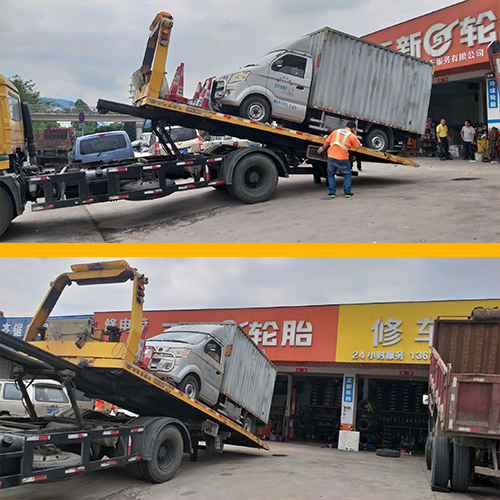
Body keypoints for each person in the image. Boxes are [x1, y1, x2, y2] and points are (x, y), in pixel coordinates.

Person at [318, 121, 361, 198]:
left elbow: (327, 142)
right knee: (347, 174)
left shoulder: (335, 132)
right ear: (353, 128)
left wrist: (321, 149)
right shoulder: (351, 135)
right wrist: (355, 135)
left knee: (331, 174)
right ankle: (347, 192)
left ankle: (332, 192)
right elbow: (357, 146)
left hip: (331, 156)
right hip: (342, 157)